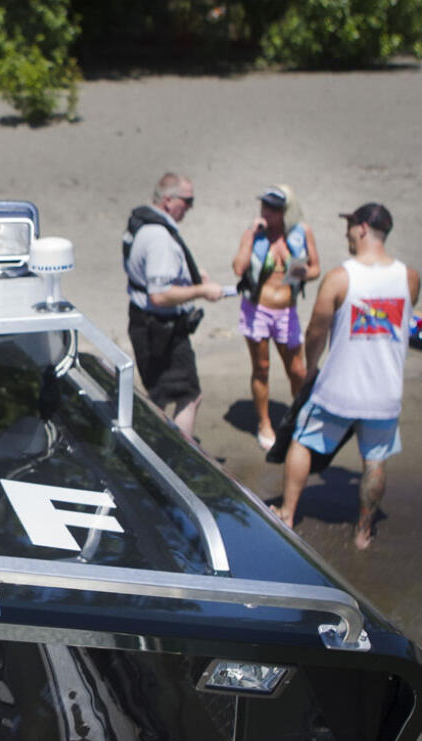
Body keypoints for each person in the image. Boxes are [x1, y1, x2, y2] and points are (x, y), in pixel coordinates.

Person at [274, 203, 420, 549]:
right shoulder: (409, 277)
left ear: (363, 229)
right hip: (385, 391)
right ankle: (363, 532)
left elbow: (315, 331)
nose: (346, 232)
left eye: (350, 225)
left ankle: (287, 512)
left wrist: (311, 368)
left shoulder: (341, 277)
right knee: (375, 458)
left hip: (340, 388)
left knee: (302, 440)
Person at [123, 172, 225, 440]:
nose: (190, 207)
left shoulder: (142, 222)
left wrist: (187, 276)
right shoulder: (159, 237)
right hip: (161, 329)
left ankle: (154, 450)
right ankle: (179, 461)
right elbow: (159, 295)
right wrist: (202, 290)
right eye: (188, 201)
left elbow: (147, 275)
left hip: (144, 323)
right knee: (188, 396)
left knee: (158, 396)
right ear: (168, 200)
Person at [231, 185, 321, 450]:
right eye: (264, 207)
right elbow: (238, 267)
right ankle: (264, 423)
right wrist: (249, 235)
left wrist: (304, 273)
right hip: (257, 310)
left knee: (297, 370)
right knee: (262, 368)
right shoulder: (254, 235)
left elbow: (316, 268)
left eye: (273, 208)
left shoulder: (301, 233)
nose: (266, 212)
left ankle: (299, 419)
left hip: (287, 311)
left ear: (285, 212)